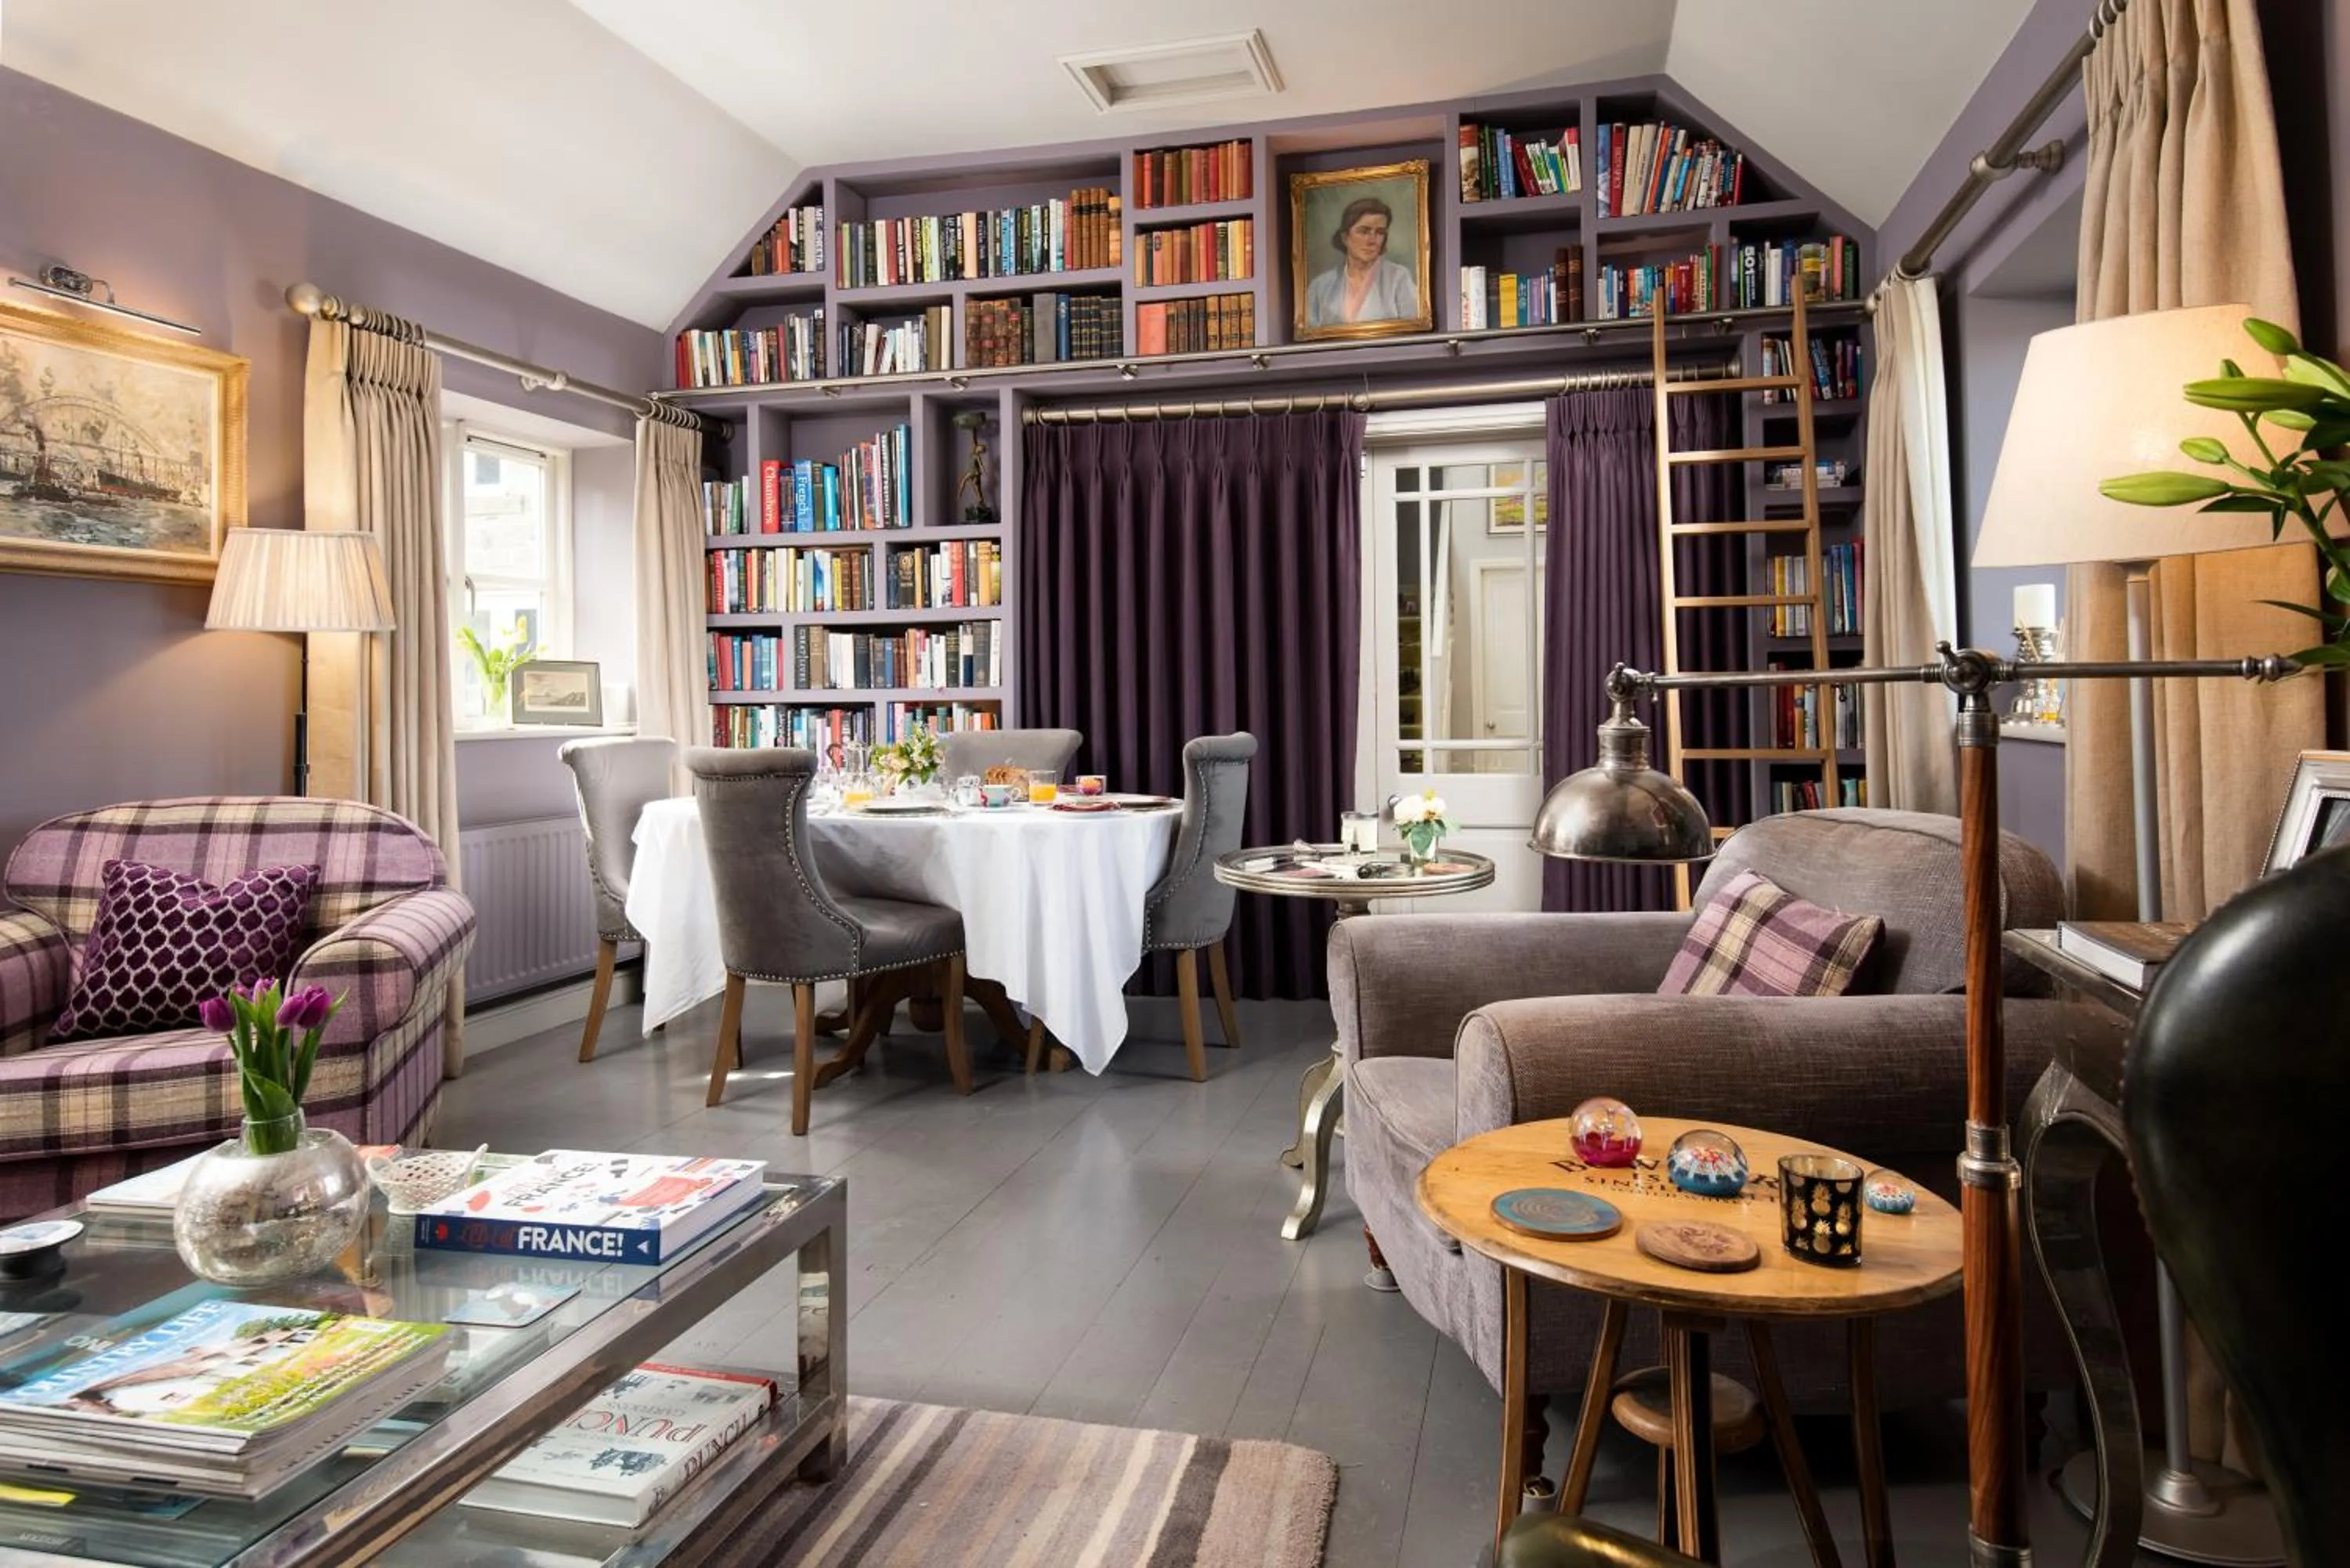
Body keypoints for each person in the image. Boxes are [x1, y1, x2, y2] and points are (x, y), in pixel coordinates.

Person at [1304, 194, 1419, 328]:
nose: (1372, 240)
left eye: (1380, 232)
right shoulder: (1320, 286)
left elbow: (1414, 330)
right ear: (1345, 237)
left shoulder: (1399, 278)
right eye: (1364, 231)